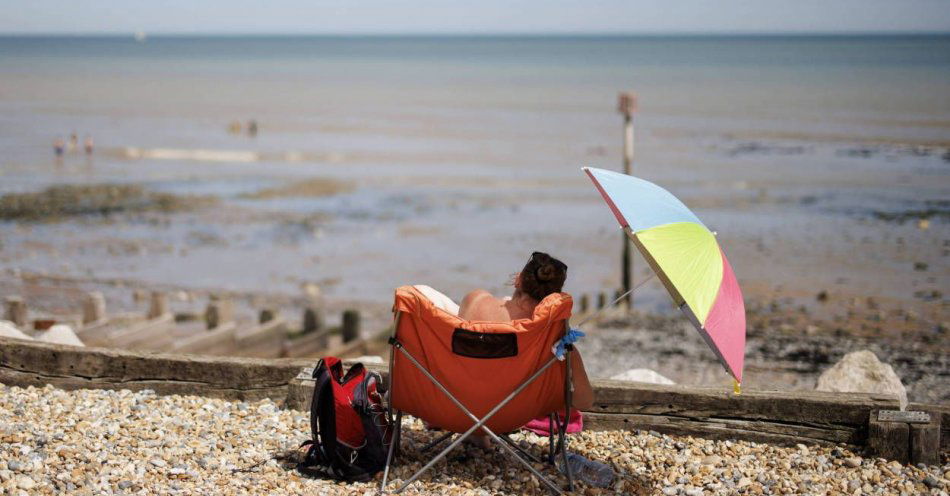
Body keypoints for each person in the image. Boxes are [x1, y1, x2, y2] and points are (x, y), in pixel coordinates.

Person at [457, 251, 594, 446]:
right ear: (553, 296)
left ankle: (476, 433)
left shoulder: (475, 300)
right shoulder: (552, 340)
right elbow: (584, 401)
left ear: (518, 279)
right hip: (513, 416)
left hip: (457, 408)